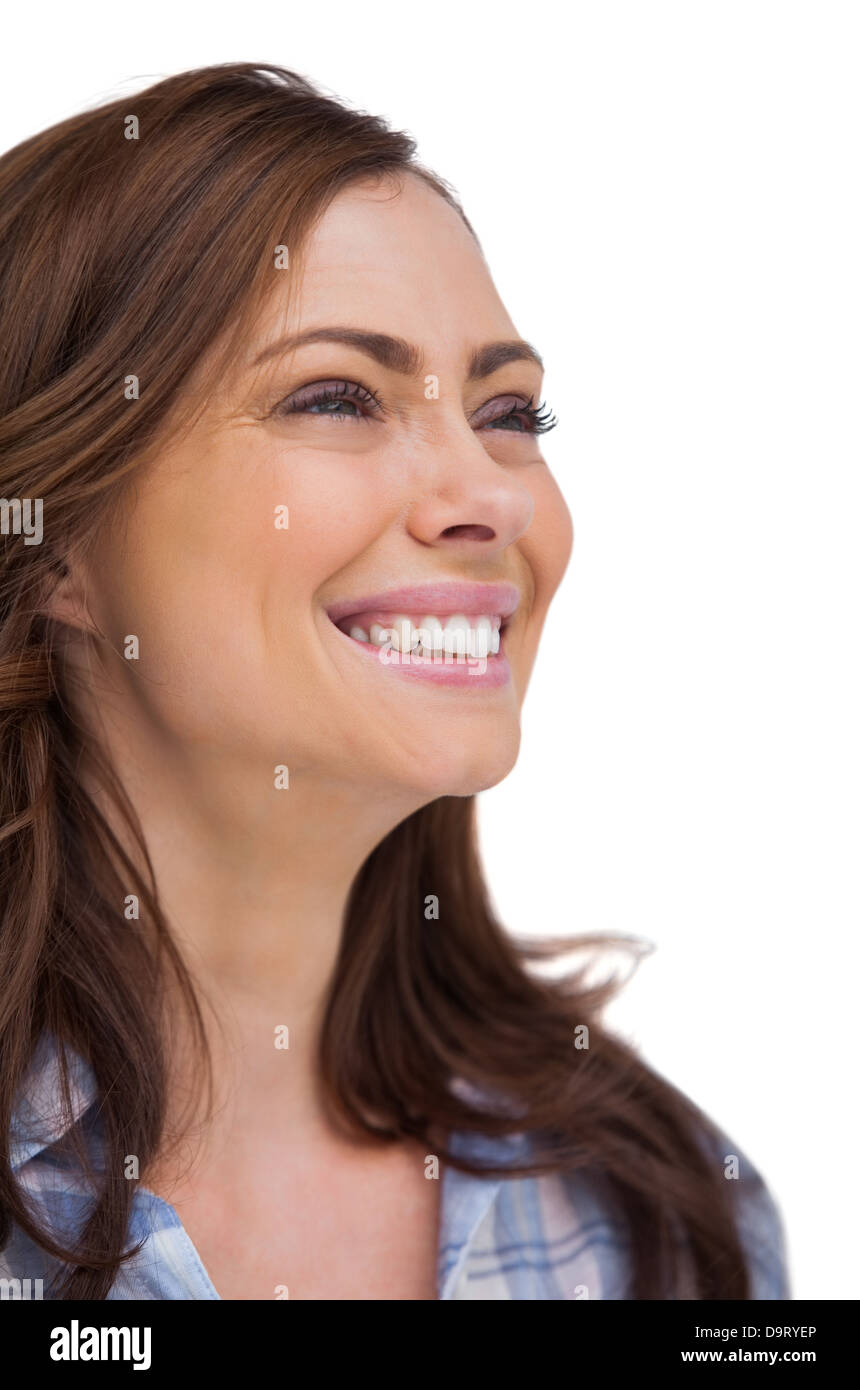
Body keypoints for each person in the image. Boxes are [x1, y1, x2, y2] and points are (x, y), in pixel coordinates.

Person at [0, 62, 788, 1300]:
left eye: (511, 413)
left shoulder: (661, 1220)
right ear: (55, 544)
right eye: (335, 398)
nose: (488, 495)